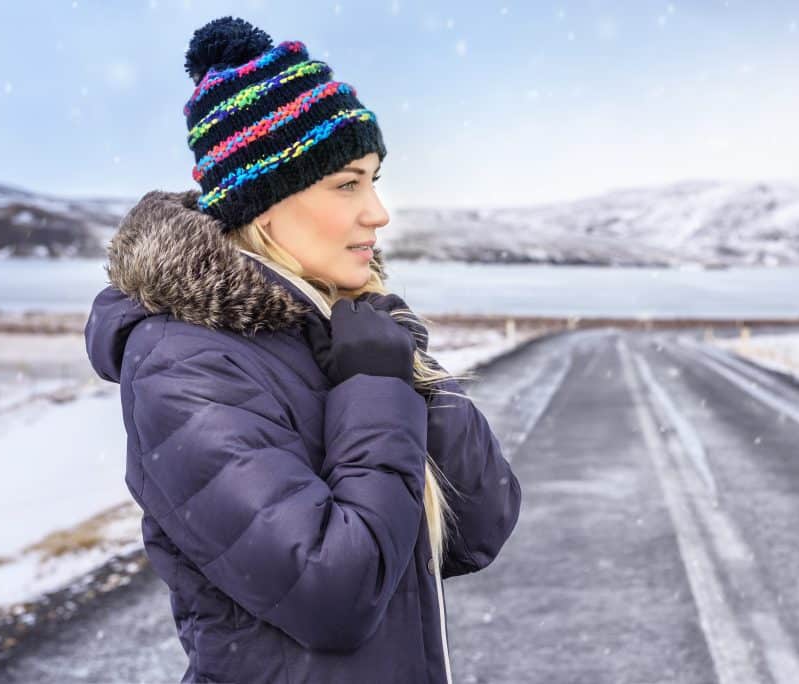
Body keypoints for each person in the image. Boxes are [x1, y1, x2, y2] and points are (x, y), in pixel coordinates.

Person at [83, 16, 521, 684]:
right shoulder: (184, 362)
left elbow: (479, 523)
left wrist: (403, 361)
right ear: (265, 204)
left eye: (374, 179)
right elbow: (335, 592)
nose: (378, 212)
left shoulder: (340, 326)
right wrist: (376, 386)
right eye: (347, 184)